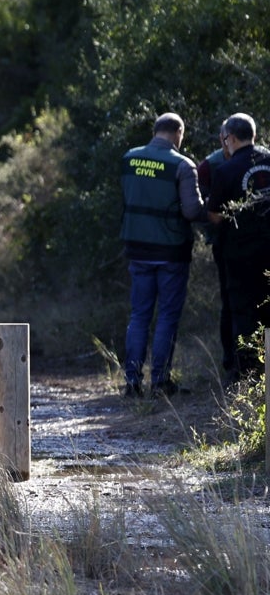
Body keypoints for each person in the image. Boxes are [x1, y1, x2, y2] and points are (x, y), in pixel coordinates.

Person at [119, 113, 203, 398]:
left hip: (137, 249)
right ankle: (159, 382)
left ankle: (132, 381)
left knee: (139, 314)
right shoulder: (182, 165)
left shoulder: (129, 158)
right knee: (167, 316)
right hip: (171, 252)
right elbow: (192, 211)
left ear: (155, 131)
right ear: (178, 133)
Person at [206, 112, 270, 381]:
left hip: (240, 254)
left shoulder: (226, 170)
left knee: (242, 310)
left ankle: (247, 371)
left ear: (230, 138)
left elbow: (215, 215)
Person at [197, 123, 234, 380]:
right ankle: (231, 362)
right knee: (230, 302)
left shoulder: (262, 158)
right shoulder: (209, 165)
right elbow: (202, 209)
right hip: (226, 246)